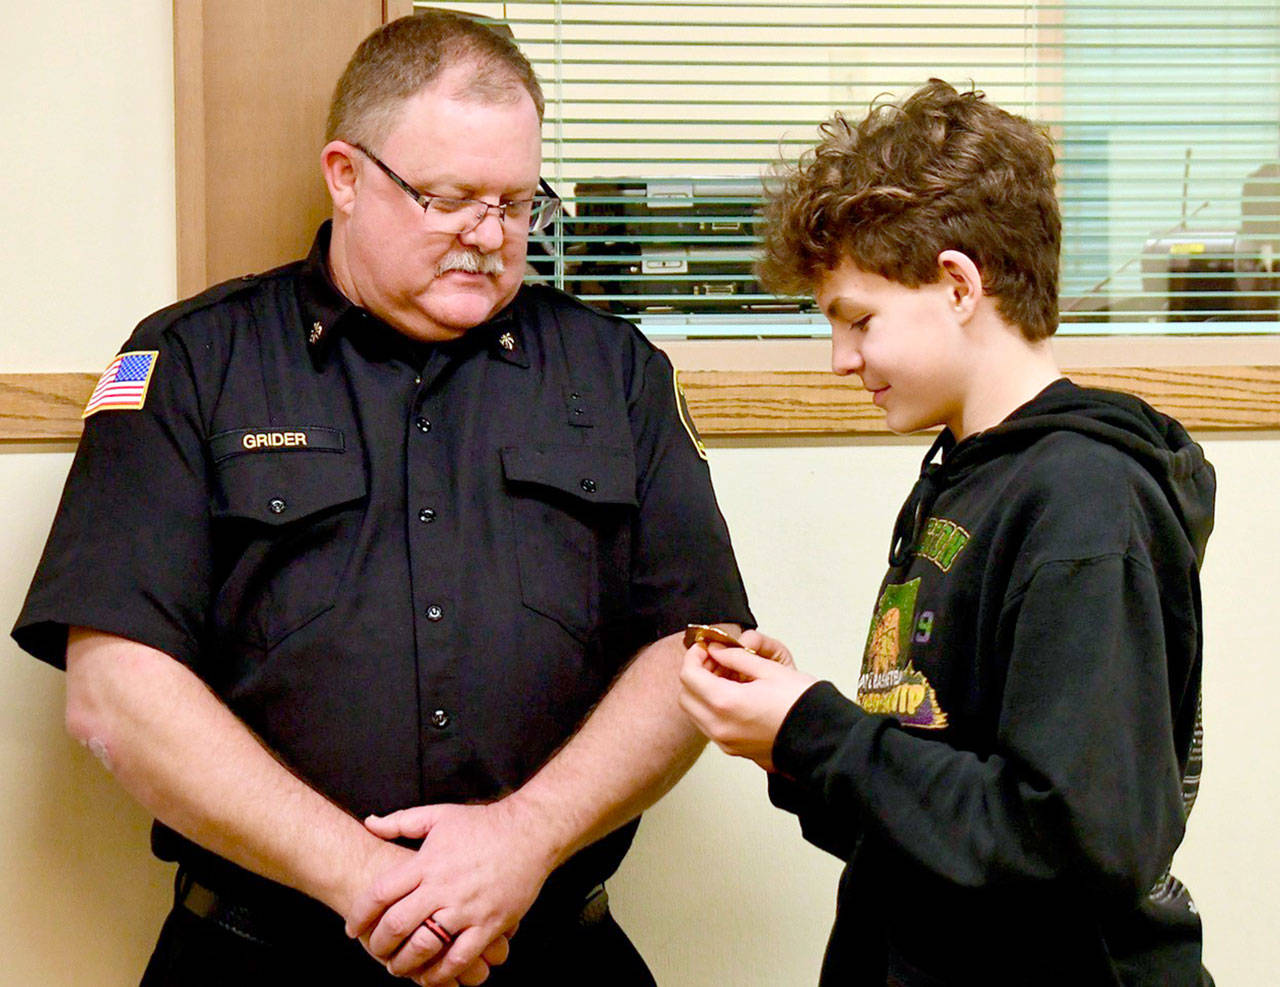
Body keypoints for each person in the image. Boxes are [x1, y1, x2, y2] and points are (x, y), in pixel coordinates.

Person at [13, 11, 753, 987]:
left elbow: (694, 651)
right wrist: (363, 880)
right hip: (258, 956)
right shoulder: (194, 362)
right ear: (346, 175)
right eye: (449, 199)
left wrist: (520, 842)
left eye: (518, 203)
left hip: (547, 953)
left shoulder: (612, 373)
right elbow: (115, 687)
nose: (488, 239)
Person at [678, 79, 1214, 986]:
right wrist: (790, 735)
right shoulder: (959, 480)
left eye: (859, 319)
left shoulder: (1084, 504)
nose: (842, 358)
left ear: (959, 284)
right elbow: (932, 795)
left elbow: (1075, 846)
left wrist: (814, 731)